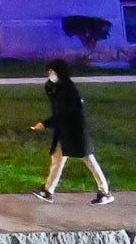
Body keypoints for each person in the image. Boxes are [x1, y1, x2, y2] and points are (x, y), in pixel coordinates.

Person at [31, 60, 114, 203]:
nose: (49, 74)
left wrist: (45, 124)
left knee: (88, 159)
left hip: (75, 131)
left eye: (52, 71)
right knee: (57, 159)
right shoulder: (57, 88)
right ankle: (48, 191)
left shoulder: (68, 90)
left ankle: (105, 192)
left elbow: (64, 113)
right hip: (64, 131)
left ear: (59, 72)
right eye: (49, 71)